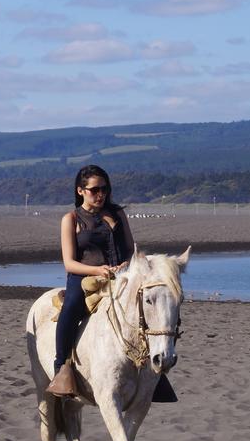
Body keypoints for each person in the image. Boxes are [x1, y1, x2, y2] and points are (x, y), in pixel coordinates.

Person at [45, 165, 176, 402]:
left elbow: (130, 249)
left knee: (145, 312)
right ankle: (61, 368)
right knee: (70, 308)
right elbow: (69, 263)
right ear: (80, 190)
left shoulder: (117, 214)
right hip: (84, 277)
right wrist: (98, 269)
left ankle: (154, 373)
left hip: (120, 275)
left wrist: (124, 266)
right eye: (94, 189)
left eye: (104, 189)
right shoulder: (71, 219)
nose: (100, 194)